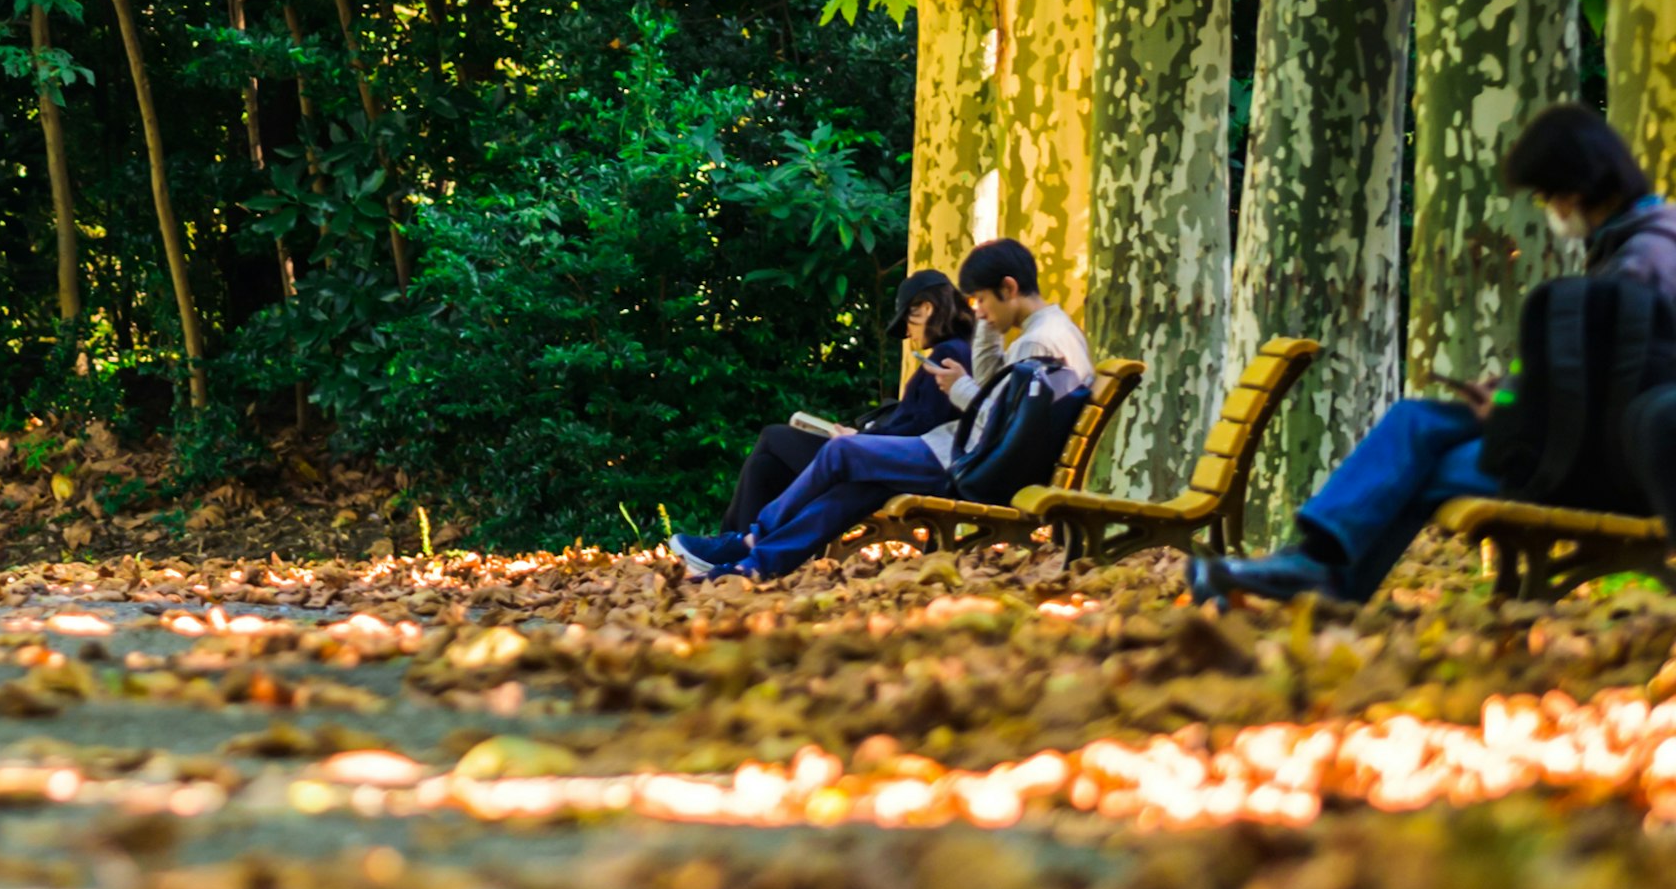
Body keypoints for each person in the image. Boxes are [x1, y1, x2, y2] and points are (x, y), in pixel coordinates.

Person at [1187, 105, 1676, 610]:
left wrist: (1511, 409)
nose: (1550, 208)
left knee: (1422, 459)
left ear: (1575, 190)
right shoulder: (1628, 247)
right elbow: (1572, 379)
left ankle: (1320, 573)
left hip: (1605, 465)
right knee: (1416, 423)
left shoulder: (1647, 262)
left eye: (1549, 195)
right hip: (1571, 445)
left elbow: (1616, 398)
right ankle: (1314, 566)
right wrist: (1507, 396)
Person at [674, 237, 1096, 583]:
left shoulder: (1038, 344)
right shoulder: (1052, 332)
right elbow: (1002, 396)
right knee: (856, 487)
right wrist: (986, 328)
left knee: (842, 453)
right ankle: (756, 566)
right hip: (971, 455)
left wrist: (961, 389)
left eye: (983, 300)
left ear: (1008, 288)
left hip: (968, 461)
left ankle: (751, 539)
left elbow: (997, 425)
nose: (978, 311)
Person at [705, 271, 974, 544]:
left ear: (927, 309)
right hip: (884, 456)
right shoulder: (956, 351)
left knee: (773, 436)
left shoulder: (948, 355)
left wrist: (860, 439)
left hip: (886, 463)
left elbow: (924, 428)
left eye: (908, 319)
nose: (908, 332)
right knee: (764, 466)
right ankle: (736, 542)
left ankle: (731, 542)